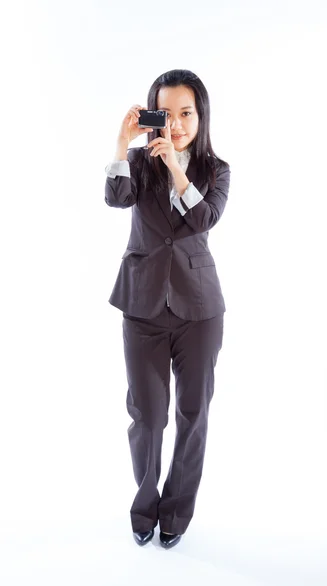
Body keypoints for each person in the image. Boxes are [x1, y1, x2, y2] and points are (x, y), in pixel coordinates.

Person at [104, 69, 231, 549]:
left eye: (186, 113)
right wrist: (122, 145)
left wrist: (178, 167)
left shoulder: (216, 169)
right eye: (168, 113)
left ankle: (177, 510)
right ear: (153, 114)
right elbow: (116, 198)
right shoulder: (138, 162)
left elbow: (203, 219)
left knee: (193, 413)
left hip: (200, 309)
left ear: (201, 116)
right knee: (148, 416)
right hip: (142, 306)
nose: (176, 124)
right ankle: (145, 505)